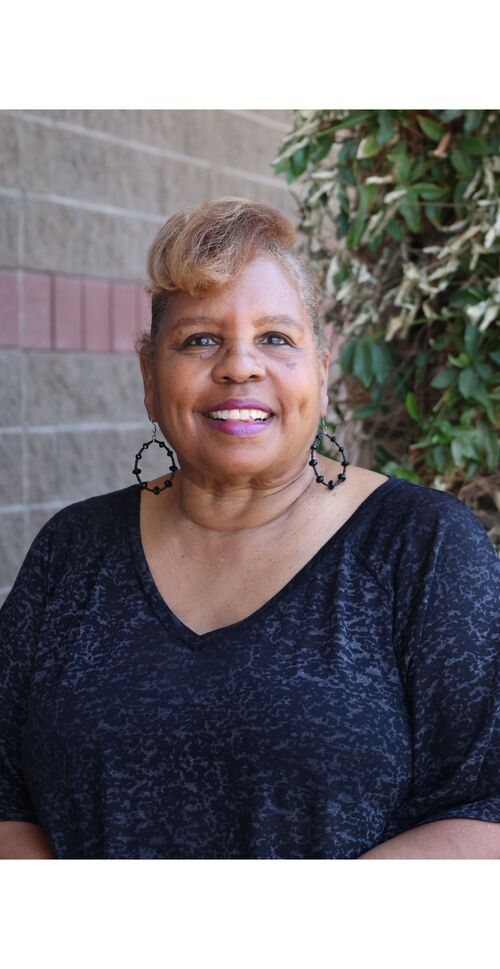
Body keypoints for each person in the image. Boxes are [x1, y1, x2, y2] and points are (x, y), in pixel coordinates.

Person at [1, 197, 499, 860]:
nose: (240, 365)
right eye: (199, 339)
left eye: (276, 338)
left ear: (322, 373)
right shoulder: (72, 550)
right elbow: (6, 795)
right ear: (149, 378)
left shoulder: (424, 547)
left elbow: (485, 808)